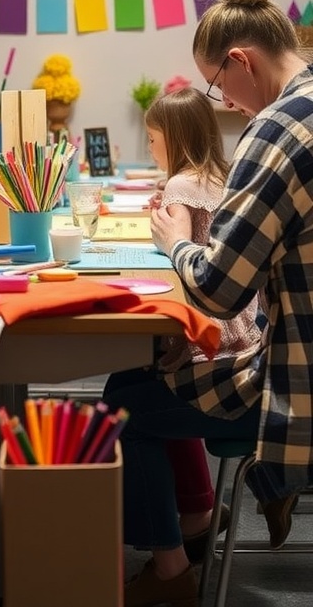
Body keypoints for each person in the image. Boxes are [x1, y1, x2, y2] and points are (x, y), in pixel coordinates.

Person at [105, 0, 313, 607]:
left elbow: (220, 288)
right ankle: (197, 522)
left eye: (217, 84)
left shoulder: (275, 131)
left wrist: (176, 244)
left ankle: (171, 575)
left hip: (294, 378)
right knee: (158, 374)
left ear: (241, 60)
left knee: (121, 401)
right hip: (297, 346)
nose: (221, 101)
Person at [105, 88, 263, 571]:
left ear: (170, 139)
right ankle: (195, 513)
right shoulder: (224, 177)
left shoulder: (179, 187)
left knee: (123, 408)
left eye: (152, 139)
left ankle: (168, 561)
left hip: (219, 353)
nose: (150, 148)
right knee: (126, 383)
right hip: (246, 341)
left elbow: (189, 270)